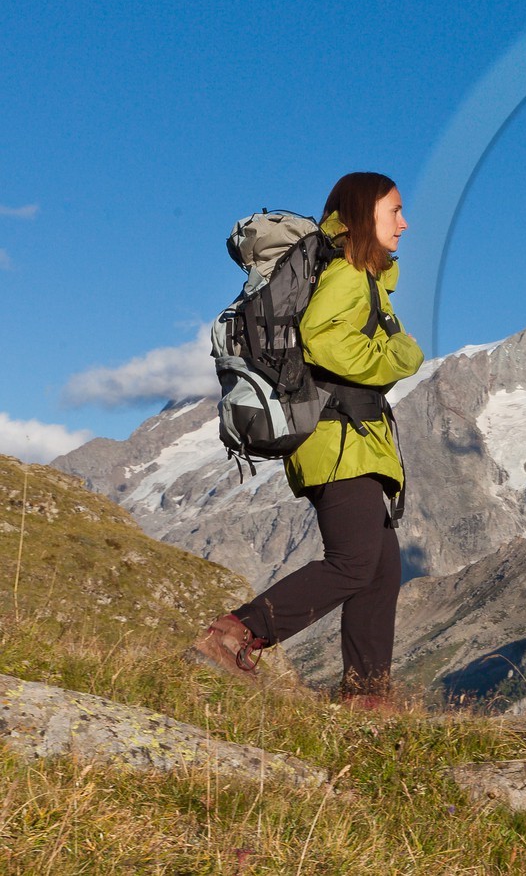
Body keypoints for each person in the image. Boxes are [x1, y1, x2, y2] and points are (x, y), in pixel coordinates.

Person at [189, 172, 424, 706]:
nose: (404, 223)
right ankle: (232, 637)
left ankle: (366, 697)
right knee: (354, 562)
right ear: (366, 213)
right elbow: (323, 340)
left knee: (381, 569)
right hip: (338, 442)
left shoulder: (361, 276)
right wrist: (400, 357)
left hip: (353, 441)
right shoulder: (347, 274)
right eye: (395, 210)